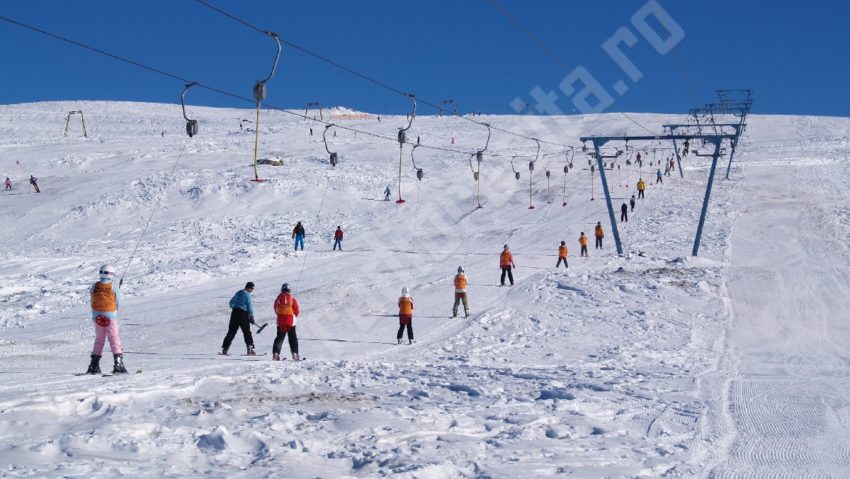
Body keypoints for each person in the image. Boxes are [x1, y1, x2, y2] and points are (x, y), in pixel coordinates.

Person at [85, 264, 127, 374]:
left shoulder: (95, 286)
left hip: (97, 317)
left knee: (99, 339)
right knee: (114, 338)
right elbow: (118, 301)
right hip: (110, 317)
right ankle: (118, 363)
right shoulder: (113, 287)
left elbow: (91, 298)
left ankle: (94, 364)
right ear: (112, 275)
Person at [221, 282, 256, 355]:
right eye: (252, 288)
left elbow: (231, 303)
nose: (252, 290)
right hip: (243, 313)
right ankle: (250, 349)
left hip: (234, 313)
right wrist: (251, 316)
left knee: (231, 331)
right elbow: (250, 306)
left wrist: (235, 308)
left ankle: (225, 348)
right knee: (246, 332)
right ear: (248, 287)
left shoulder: (238, 293)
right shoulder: (247, 295)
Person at [272, 283, 300, 361]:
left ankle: (276, 354)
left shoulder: (278, 300)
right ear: (289, 290)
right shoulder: (292, 299)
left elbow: (276, 309)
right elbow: (297, 311)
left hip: (280, 322)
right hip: (291, 322)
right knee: (292, 338)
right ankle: (295, 354)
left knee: (279, 338)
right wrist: (293, 315)